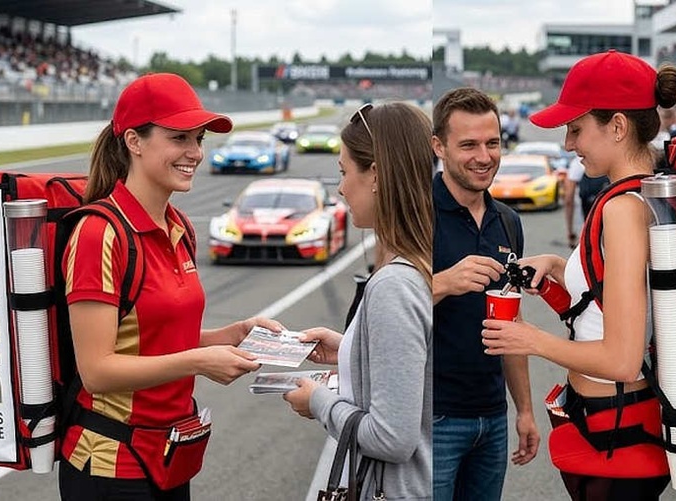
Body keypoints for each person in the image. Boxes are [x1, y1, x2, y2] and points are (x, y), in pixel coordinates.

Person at [59, 73, 281, 500]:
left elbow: (148, 339)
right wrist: (199, 361)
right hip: (111, 466)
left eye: (198, 139)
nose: (195, 153)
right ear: (134, 141)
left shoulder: (179, 225)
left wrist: (229, 336)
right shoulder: (98, 234)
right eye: (179, 138)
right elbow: (98, 369)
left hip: (169, 454)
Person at [480, 50, 676, 500]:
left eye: (576, 129)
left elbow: (622, 360)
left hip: (616, 428)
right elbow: (611, 293)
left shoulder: (623, 209)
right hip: (610, 424)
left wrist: (529, 341)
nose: (569, 144)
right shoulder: (638, 195)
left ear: (617, 126)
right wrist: (556, 266)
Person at [284, 102, 434, 500]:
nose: (341, 188)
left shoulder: (394, 285)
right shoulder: (427, 261)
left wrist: (318, 401)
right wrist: (351, 350)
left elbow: (390, 438)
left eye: (344, 172)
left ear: (377, 175)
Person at [429, 88, 539, 501]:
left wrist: (524, 410)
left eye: (492, 143)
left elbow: (511, 323)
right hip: (433, 416)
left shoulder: (507, 221)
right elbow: (381, 309)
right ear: (438, 146)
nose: (484, 156)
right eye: (469, 144)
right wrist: (444, 282)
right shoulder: (416, 214)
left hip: (492, 416)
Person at [563, 155, 609, 248]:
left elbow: (568, 198)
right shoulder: (609, 159)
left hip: (586, 225)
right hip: (610, 222)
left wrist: (570, 231)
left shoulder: (578, 163)